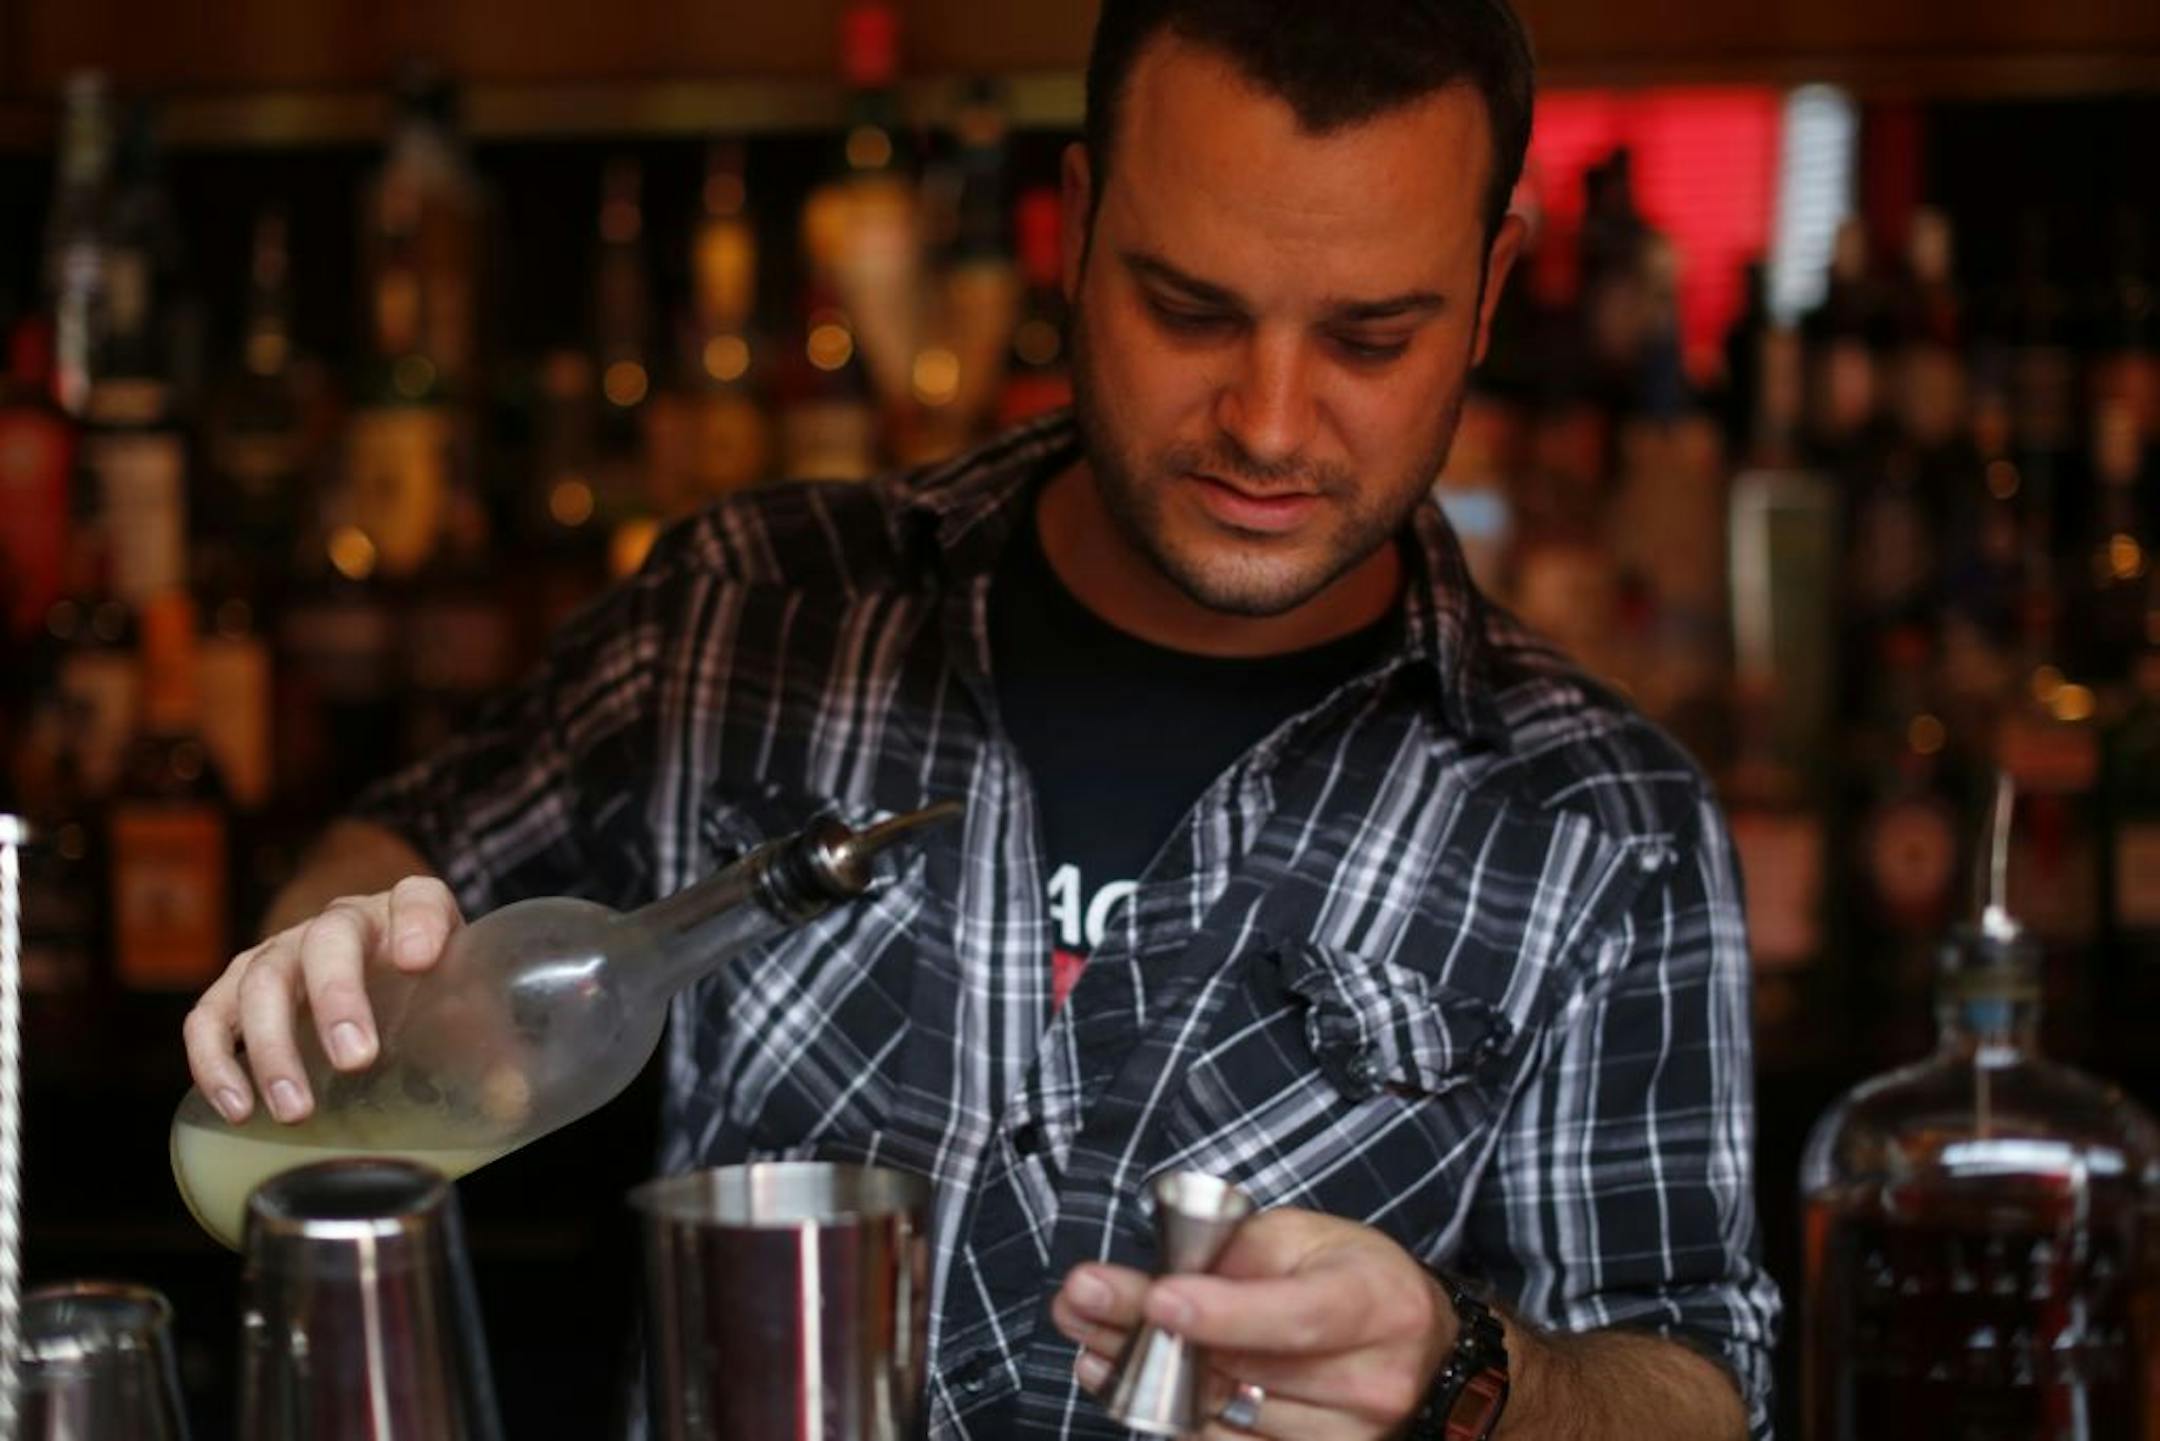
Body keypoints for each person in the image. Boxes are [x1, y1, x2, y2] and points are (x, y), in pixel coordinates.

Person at [183, 0, 1780, 1435]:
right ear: (1075, 228)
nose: (1271, 422)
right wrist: (331, 946)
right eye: (1191, 309)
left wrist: (1464, 1370)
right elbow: (409, 849)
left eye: (1371, 336)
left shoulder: (1602, 824)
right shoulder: (745, 608)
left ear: (1491, 291)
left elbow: (1697, 1377)